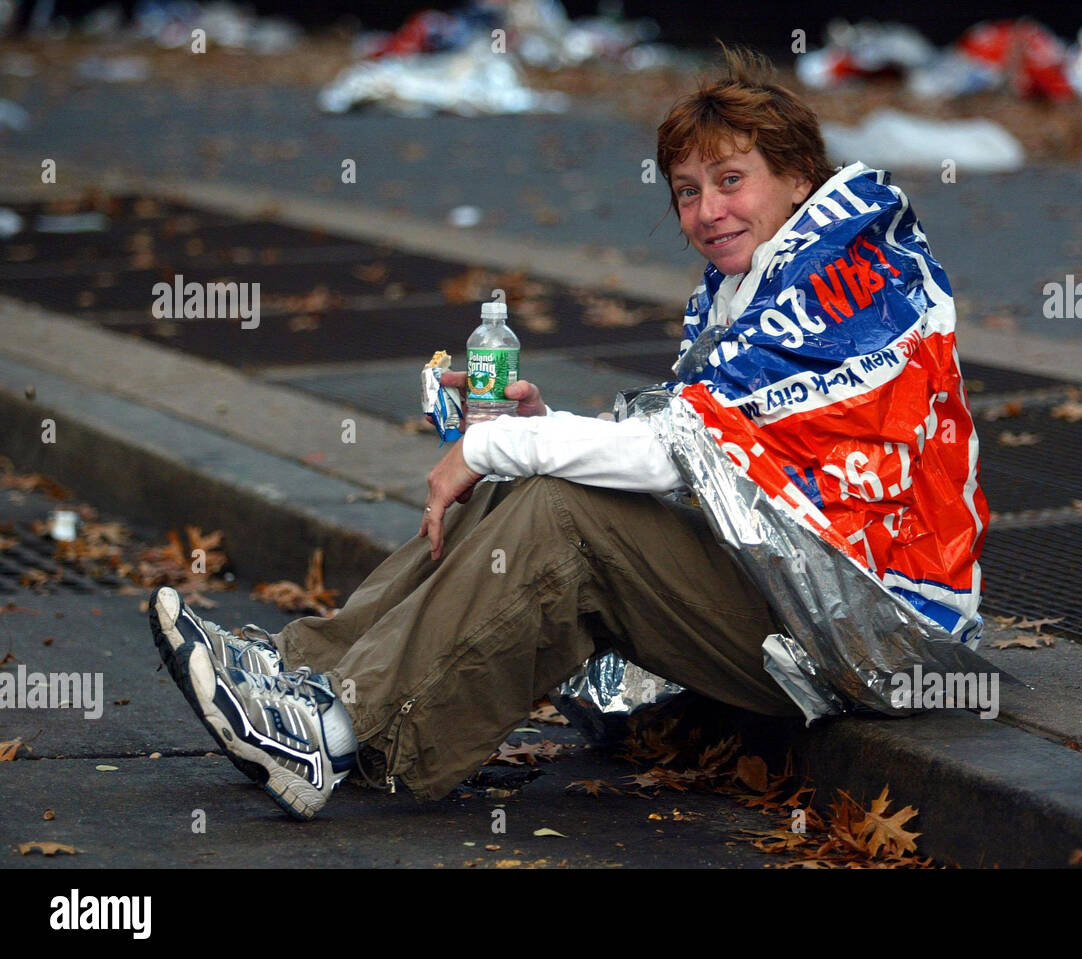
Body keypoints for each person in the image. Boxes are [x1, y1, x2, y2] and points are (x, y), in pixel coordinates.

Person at [150, 44, 987, 821]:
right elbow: (712, 458)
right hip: (799, 595)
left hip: (870, 637)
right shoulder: (774, 274)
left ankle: (331, 735)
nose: (707, 210)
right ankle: (307, 675)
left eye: (731, 180)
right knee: (536, 479)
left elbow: (677, 455)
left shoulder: (842, 281)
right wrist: (531, 432)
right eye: (688, 191)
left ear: (799, 173)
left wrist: (487, 446)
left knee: (559, 512)